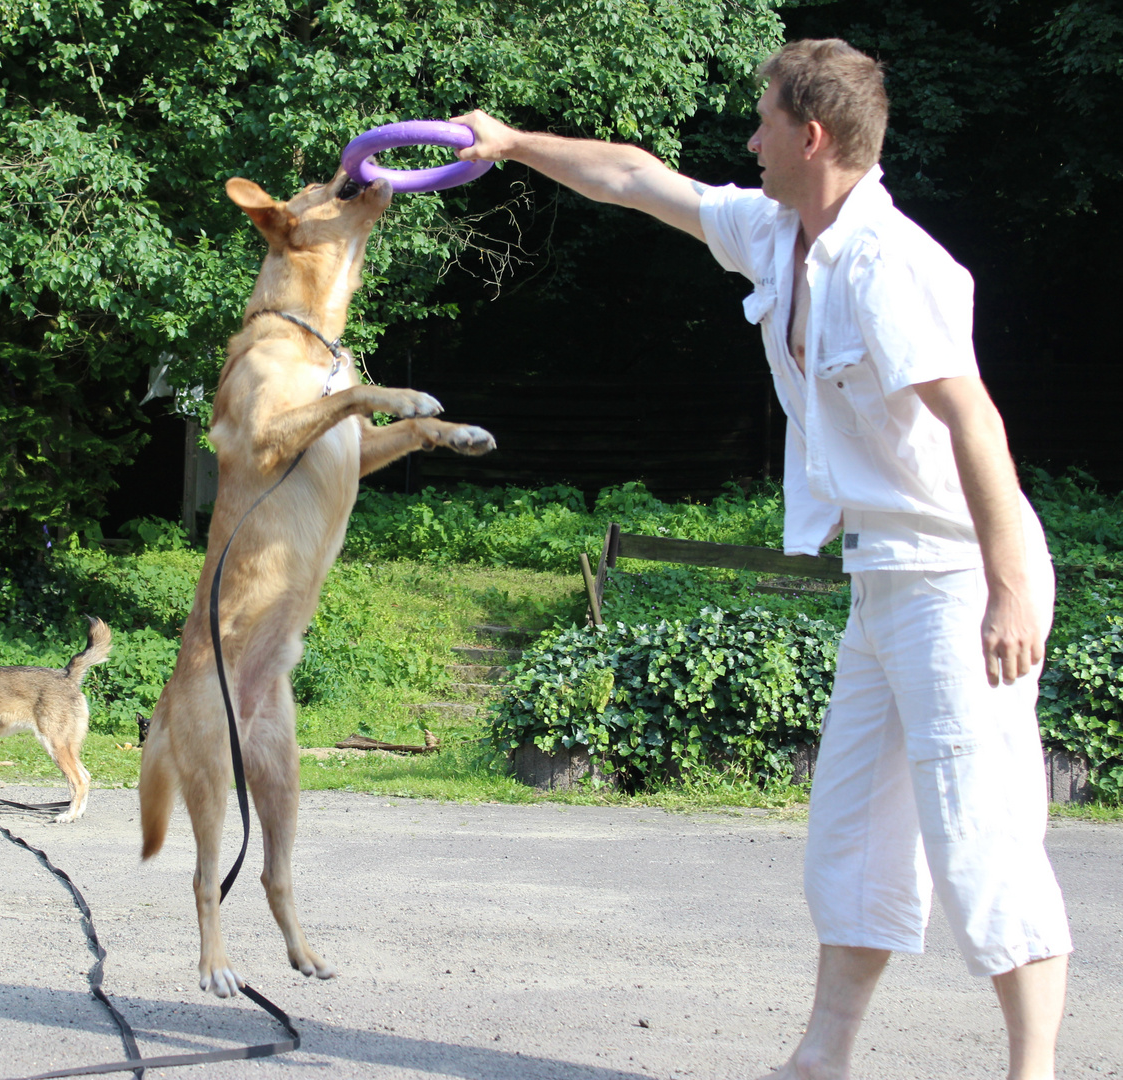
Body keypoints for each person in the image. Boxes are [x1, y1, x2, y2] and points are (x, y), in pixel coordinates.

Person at [450, 37, 1070, 1080]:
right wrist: (509, 143)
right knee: (850, 843)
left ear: (811, 134)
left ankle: (1034, 1073)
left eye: (763, 118)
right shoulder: (778, 233)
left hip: (960, 579)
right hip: (884, 581)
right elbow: (639, 180)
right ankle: (820, 1060)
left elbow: (975, 426)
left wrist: (1012, 588)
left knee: (980, 842)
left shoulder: (890, 266)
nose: (749, 137)